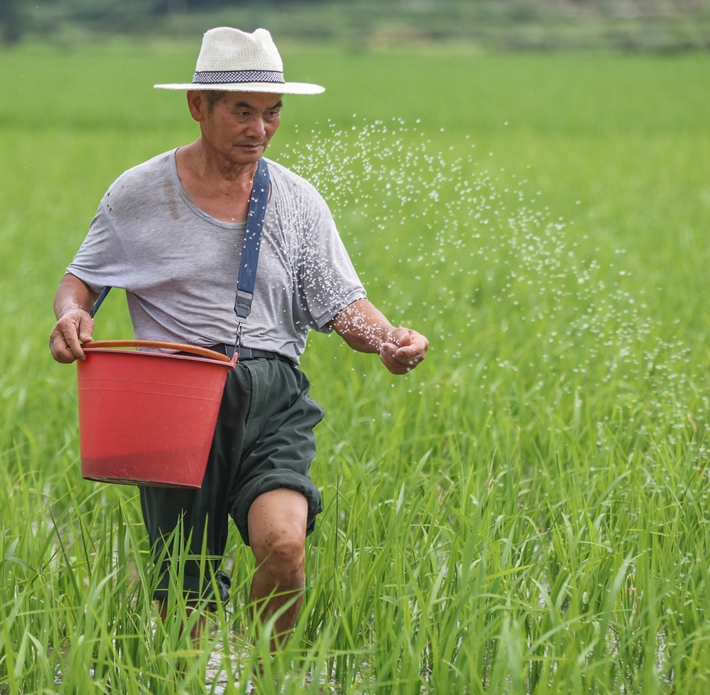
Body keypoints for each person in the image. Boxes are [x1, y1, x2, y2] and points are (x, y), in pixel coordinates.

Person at [48, 27, 429, 647]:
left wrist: (387, 339)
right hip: (174, 398)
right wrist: (72, 316)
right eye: (243, 112)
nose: (259, 129)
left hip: (271, 396)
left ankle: (264, 676)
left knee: (283, 545)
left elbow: (341, 305)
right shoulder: (139, 193)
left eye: (272, 113)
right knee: (186, 597)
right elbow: (81, 281)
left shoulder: (298, 201)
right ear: (199, 106)